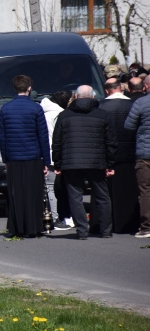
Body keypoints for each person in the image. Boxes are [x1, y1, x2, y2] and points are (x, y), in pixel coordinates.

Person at [52, 85, 117, 240]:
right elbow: (111, 142)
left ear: (76, 96)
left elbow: (57, 142)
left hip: (71, 162)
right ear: (93, 97)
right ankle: (106, 230)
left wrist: (58, 163)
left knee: (75, 197)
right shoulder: (102, 115)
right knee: (102, 196)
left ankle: (82, 230)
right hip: (96, 162)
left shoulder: (64, 115)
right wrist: (110, 164)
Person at [0, 75, 51, 238]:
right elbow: (43, 136)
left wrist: (5, 159)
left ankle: (17, 227)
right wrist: (46, 161)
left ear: (15, 88)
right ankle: (33, 227)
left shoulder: (5, 109)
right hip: (33, 156)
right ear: (29, 89)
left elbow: (3, 137)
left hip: (13, 157)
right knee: (33, 193)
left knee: (16, 193)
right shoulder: (36, 108)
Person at [99, 78, 139, 234]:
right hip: (130, 154)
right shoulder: (132, 105)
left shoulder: (101, 106)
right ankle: (129, 223)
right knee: (129, 192)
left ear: (107, 90)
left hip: (107, 155)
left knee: (107, 194)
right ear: (121, 88)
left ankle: (109, 224)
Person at [40, 90, 73, 230]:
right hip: (55, 155)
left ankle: (54, 217)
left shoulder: (44, 112)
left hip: (47, 154)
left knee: (50, 188)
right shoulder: (58, 115)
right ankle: (54, 219)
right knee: (53, 188)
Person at [124, 74, 150, 239]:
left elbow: (129, 126)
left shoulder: (140, 103)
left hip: (145, 154)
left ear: (146, 87)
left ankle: (146, 227)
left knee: (146, 190)